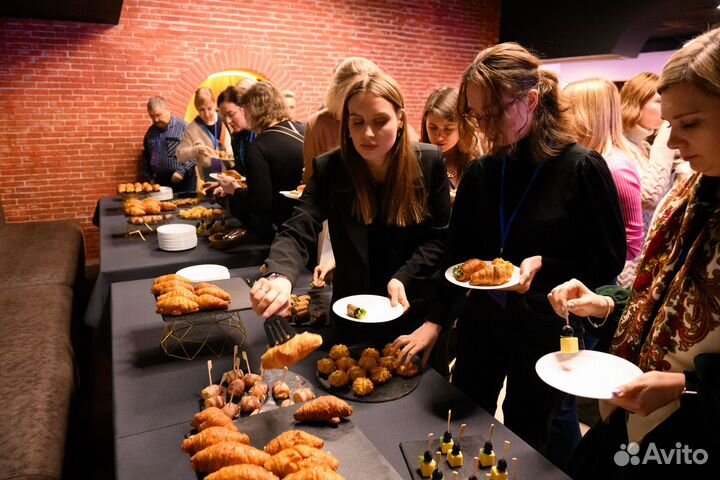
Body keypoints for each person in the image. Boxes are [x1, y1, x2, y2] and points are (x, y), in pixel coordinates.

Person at [395, 43, 626, 468]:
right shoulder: (484, 172)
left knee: (526, 436)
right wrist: (434, 320)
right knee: (462, 417)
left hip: (544, 330)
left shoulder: (581, 168)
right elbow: (457, 255)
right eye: (476, 115)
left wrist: (547, 268)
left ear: (531, 101)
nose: (483, 126)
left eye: (492, 113)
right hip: (483, 324)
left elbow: (607, 260)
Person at [547, 27, 720, 479]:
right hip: (631, 415)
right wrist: (607, 302)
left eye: (691, 123)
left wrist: (688, 387)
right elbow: (663, 294)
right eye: (670, 124)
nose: (674, 141)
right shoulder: (690, 190)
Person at [249, 71, 450, 346]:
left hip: (412, 312)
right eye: (358, 122)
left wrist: (404, 276)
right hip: (353, 312)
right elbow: (299, 226)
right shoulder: (330, 167)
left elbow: (438, 239)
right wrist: (281, 275)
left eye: (380, 121)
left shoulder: (429, 162)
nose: (367, 133)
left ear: (400, 120)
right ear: (347, 125)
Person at [564, 78, 644, 289]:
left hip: (598, 283)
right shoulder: (579, 161)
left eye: (567, 110)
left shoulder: (616, 167)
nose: (561, 117)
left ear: (587, 115)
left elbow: (632, 244)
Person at [216, 81, 304, 242]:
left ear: (252, 109)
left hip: (285, 229)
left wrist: (234, 189)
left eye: (244, 109)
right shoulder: (302, 128)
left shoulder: (259, 145)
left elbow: (260, 204)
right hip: (310, 223)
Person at [420, 86, 478, 201]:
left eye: (448, 129)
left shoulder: (475, 163)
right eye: (432, 128)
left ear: (462, 127)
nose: (439, 137)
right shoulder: (418, 160)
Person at [177, 87, 233, 189]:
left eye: (209, 108)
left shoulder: (226, 119)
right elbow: (180, 155)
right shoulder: (192, 128)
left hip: (231, 176)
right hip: (208, 180)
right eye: (201, 110)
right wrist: (196, 150)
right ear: (197, 109)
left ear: (214, 104)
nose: (206, 114)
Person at [141, 96, 195, 193]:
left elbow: (196, 153)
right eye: (152, 116)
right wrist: (149, 178)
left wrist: (182, 171)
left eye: (158, 115)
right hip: (160, 183)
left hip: (183, 181)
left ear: (167, 109)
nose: (156, 120)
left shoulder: (184, 127)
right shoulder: (150, 132)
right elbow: (146, 157)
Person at [217, 85, 255, 176]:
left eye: (231, 114)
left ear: (245, 108)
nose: (228, 121)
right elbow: (241, 169)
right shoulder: (237, 137)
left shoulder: (262, 134)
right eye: (224, 116)